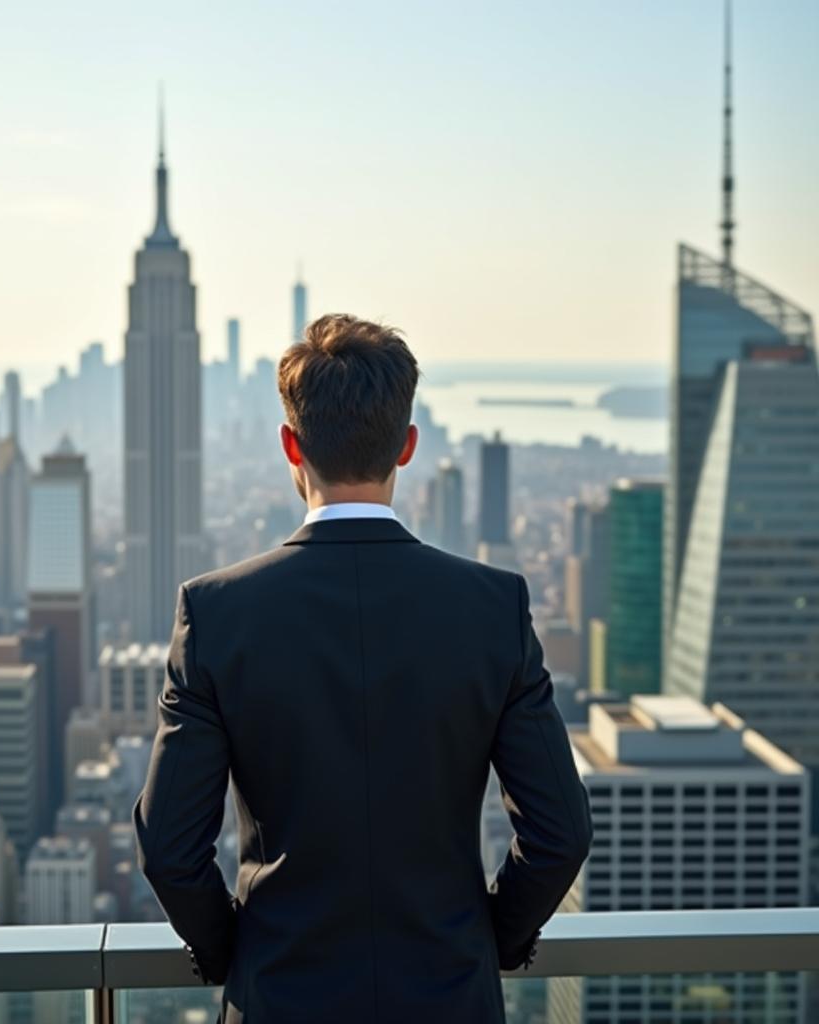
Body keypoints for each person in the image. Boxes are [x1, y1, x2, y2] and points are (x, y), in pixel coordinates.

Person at [134, 314, 592, 1023]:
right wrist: (483, 941)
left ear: (292, 443)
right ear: (406, 446)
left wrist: (242, 955)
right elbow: (560, 830)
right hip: (451, 998)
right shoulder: (492, 608)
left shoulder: (217, 614)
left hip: (280, 998)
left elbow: (169, 848)